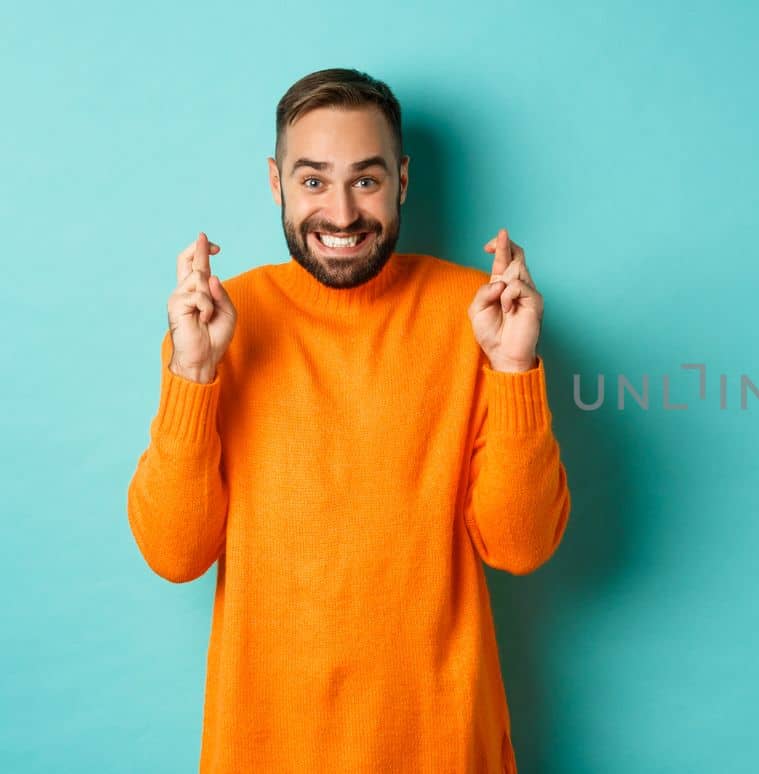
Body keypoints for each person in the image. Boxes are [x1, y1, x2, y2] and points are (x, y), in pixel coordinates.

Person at [126, 67, 570, 773]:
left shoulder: (476, 316)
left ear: (402, 179)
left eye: (365, 180)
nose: (339, 214)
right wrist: (195, 374)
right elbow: (176, 555)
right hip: (266, 751)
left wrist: (513, 368)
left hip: (444, 749)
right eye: (312, 181)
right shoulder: (219, 326)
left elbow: (519, 546)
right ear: (276, 183)